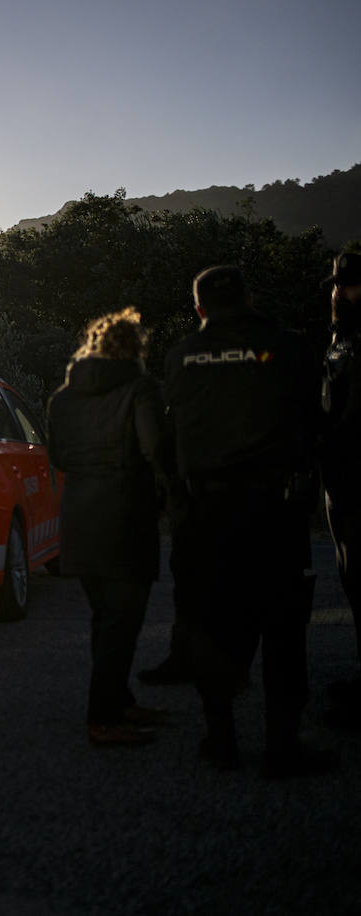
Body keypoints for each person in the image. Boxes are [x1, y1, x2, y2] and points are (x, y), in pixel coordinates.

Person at [163, 265, 330, 777]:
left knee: (215, 627)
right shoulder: (289, 346)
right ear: (249, 295)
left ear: (200, 310)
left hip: (207, 514)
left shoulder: (180, 356)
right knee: (282, 631)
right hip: (274, 512)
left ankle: (221, 740)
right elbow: (316, 421)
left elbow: (173, 435)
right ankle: (282, 747)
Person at [48, 307, 170, 747]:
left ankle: (118, 702)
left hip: (79, 518)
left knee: (106, 619)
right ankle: (102, 719)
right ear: (136, 347)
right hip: (125, 516)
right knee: (122, 622)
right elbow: (156, 447)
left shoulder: (63, 397)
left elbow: (58, 456)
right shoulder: (141, 388)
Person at [320, 252, 361, 715]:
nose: (339, 293)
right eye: (336, 286)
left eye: (348, 286)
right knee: (352, 579)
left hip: (355, 476)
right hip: (340, 480)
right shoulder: (340, 338)